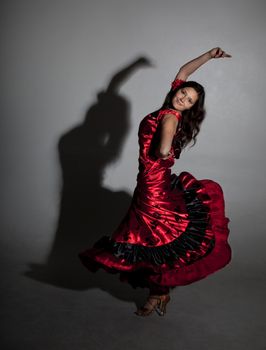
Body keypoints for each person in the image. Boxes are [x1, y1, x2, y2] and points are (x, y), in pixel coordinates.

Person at [78, 47, 232, 317]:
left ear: (190, 108)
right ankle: (159, 294)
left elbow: (162, 151)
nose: (183, 97)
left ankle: (158, 294)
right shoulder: (170, 107)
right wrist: (208, 56)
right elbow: (184, 72)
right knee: (153, 239)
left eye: (189, 100)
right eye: (183, 92)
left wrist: (165, 151)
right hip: (150, 181)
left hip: (152, 186)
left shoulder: (170, 117)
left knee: (153, 240)